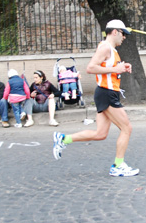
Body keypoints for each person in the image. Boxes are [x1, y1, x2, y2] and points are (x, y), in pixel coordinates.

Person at [52, 19, 139, 177]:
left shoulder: (111, 49)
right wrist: (116, 68)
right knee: (127, 128)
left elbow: (107, 68)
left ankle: (63, 139)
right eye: (123, 33)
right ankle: (118, 166)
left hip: (105, 93)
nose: (124, 37)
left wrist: (121, 67)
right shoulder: (106, 47)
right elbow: (90, 68)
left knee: (100, 134)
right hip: (107, 93)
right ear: (114, 32)